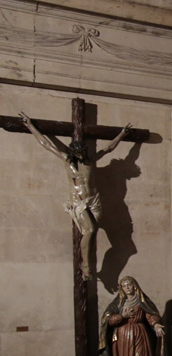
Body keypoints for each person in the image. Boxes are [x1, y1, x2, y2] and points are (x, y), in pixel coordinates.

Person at [20, 111, 131, 280]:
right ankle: (86, 267)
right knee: (90, 230)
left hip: (94, 201)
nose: (81, 155)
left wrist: (122, 134)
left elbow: (108, 148)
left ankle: (90, 266)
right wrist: (30, 126)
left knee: (93, 235)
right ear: (73, 152)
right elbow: (46, 144)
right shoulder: (67, 160)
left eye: (83, 152)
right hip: (78, 201)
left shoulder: (90, 160)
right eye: (78, 153)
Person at [99, 276, 166, 356]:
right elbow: (106, 320)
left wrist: (156, 324)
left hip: (140, 336)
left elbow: (151, 314)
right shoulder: (117, 303)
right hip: (122, 339)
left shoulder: (142, 301)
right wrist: (121, 316)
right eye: (124, 286)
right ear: (121, 288)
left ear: (134, 285)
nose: (127, 287)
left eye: (129, 284)